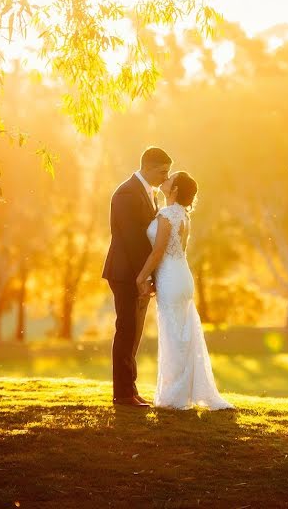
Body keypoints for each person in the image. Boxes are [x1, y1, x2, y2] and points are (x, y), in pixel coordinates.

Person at [136, 171, 235, 410]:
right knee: (182, 336)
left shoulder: (167, 214)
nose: (165, 180)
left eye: (170, 180)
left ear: (175, 190)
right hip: (182, 277)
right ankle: (180, 393)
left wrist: (141, 276)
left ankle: (174, 397)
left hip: (171, 278)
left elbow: (158, 252)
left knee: (173, 337)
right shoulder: (183, 216)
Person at [102, 147, 171, 407]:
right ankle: (122, 394)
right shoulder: (126, 193)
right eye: (162, 171)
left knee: (135, 331)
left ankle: (130, 388)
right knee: (127, 329)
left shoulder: (148, 193)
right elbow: (133, 241)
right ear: (148, 167)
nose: (166, 177)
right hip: (125, 271)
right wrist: (143, 277)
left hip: (138, 271)